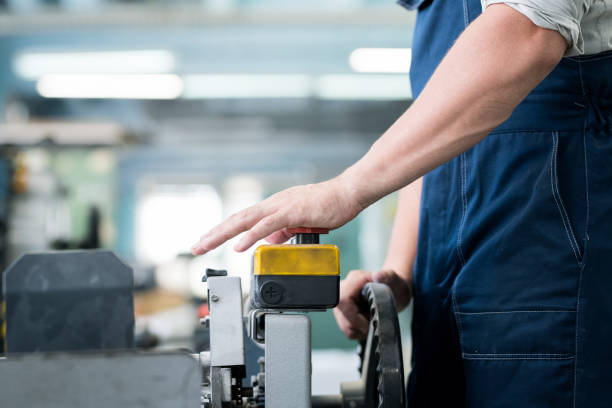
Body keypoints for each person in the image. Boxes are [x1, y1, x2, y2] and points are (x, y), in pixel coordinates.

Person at [192, 0, 612, 405]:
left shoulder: (511, 24)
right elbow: (442, 144)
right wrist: (398, 273)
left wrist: (345, 190)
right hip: (450, 306)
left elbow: (528, 32)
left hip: (547, 290)